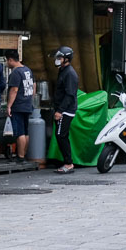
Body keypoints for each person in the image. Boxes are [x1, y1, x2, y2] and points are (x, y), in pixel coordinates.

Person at [52, 46, 79, 174]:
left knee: (61, 135)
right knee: (61, 135)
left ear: (66, 59)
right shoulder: (63, 71)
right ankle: (67, 162)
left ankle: (68, 163)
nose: (57, 60)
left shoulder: (70, 73)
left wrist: (60, 111)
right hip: (62, 108)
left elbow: (70, 94)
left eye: (60, 57)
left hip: (66, 110)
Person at [5, 50, 34, 164]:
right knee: (26, 132)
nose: (7, 63)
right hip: (27, 104)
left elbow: (14, 90)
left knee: (19, 132)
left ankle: (20, 157)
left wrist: (9, 106)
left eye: (7, 61)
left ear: (11, 60)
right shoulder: (28, 70)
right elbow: (34, 85)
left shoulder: (16, 73)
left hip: (18, 106)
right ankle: (24, 155)